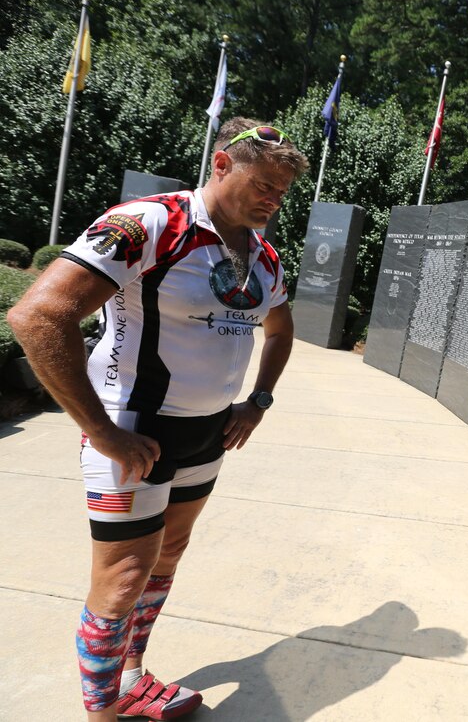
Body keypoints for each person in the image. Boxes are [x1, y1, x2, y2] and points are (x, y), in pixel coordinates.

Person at [7, 117, 309, 721]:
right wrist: (101, 431)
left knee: (166, 560)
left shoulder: (264, 255)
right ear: (222, 164)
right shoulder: (152, 222)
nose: (273, 200)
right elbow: (38, 317)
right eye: (264, 185)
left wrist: (259, 401)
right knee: (121, 582)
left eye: (282, 192)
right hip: (134, 432)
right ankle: (103, 715)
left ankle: (132, 675)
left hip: (208, 434)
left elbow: (280, 330)